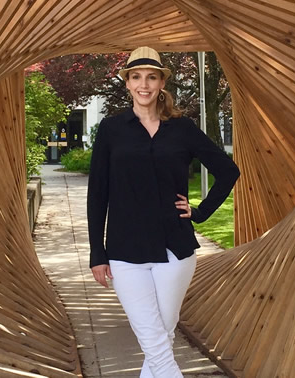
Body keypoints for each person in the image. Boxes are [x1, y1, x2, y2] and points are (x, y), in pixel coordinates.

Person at [87, 46, 240, 378]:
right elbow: (97, 193)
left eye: (151, 77)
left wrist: (200, 212)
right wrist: (97, 253)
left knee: (161, 340)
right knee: (155, 340)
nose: (144, 85)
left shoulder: (182, 129)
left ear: (161, 84)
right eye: (137, 77)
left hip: (176, 250)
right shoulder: (112, 130)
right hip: (125, 252)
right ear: (127, 83)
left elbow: (228, 171)